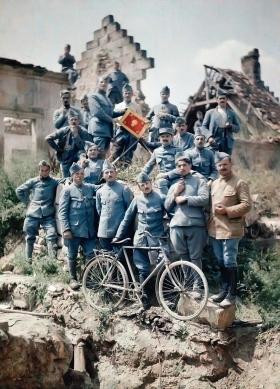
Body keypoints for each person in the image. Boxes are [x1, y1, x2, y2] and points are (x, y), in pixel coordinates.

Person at [113, 173, 166, 309]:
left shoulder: (160, 198)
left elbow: (171, 216)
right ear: (139, 187)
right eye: (142, 185)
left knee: (161, 268)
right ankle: (145, 298)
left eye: (147, 183)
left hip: (157, 240)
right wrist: (118, 236)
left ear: (151, 182)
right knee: (142, 269)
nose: (145, 186)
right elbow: (126, 219)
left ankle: (162, 298)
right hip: (141, 240)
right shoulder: (136, 200)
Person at [208, 152, 251, 307]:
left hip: (232, 229)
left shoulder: (239, 183)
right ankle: (223, 291)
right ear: (216, 166)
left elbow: (247, 205)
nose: (222, 167)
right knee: (220, 261)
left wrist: (227, 210)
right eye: (219, 165)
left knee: (229, 261)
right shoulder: (214, 183)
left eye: (225, 164)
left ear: (231, 164)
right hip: (215, 229)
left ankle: (232, 295)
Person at [165, 155, 209, 297]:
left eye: (184, 165)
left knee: (196, 257)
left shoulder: (199, 180)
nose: (182, 168)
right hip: (176, 225)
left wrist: (185, 199)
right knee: (183, 257)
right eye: (179, 166)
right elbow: (167, 206)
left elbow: (204, 199)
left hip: (195, 224)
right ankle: (187, 284)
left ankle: (197, 286)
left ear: (190, 166)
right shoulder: (174, 185)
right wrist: (175, 193)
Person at [58, 163, 99, 290]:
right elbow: (62, 212)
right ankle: (73, 278)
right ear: (72, 176)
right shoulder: (67, 190)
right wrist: (66, 229)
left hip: (88, 230)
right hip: (74, 231)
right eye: (77, 174)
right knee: (72, 255)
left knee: (91, 255)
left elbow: (101, 187)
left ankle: (87, 278)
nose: (79, 176)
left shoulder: (89, 187)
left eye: (81, 174)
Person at [16, 160, 59, 261]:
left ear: (49, 171)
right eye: (42, 170)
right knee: (29, 237)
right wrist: (28, 202)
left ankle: (51, 263)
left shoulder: (54, 182)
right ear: (39, 170)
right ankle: (28, 262)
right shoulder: (33, 181)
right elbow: (19, 190)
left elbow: (64, 180)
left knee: (52, 236)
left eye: (46, 170)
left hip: (48, 215)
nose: (44, 172)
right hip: (33, 214)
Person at [96, 161, 133, 252]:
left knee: (121, 258)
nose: (109, 174)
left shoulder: (124, 189)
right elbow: (99, 210)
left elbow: (129, 210)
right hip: (104, 231)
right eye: (106, 172)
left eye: (111, 172)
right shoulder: (99, 192)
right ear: (103, 175)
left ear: (116, 174)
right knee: (107, 258)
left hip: (119, 231)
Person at [46, 112, 92, 178]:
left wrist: (76, 135)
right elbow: (48, 138)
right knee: (66, 180)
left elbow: (86, 147)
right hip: (66, 158)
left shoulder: (83, 132)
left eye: (75, 120)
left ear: (78, 121)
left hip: (78, 158)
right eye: (71, 120)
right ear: (68, 122)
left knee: (78, 177)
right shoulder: (63, 130)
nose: (73, 121)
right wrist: (59, 149)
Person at [88, 77, 125, 154]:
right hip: (98, 130)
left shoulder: (106, 98)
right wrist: (112, 120)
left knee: (103, 157)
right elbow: (97, 112)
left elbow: (110, 113)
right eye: (101, 82)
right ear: (97, 84)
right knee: (97, 155)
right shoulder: (93, 96)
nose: (104, 84)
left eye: (105, 82)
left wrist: (122, 112)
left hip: (107, 132)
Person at [110, 83, 142, 164]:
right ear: (123, 94)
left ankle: (127, 164)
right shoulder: (118, 106)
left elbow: (140, 120)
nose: (127, 95)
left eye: (129, 93)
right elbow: (114, 119)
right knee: (117, 149)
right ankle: (115, 165)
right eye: (125, 93)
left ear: (132, 94)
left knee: (129, 150)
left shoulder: (136, 106)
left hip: (131, 132)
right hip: (120, 130)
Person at [142, 128, 181, 194]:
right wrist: (142, 175)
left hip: (176, 178)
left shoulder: (178, 150)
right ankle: (165, 201)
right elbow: (149, 165)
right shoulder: (157, 151)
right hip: (163, 179)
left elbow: (181, 168)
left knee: (177, 188)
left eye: (167, 136)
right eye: (162, 136)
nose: (165, 138)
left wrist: (166, 174)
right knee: (161, 183)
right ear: (159, 138)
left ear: (172, 138)